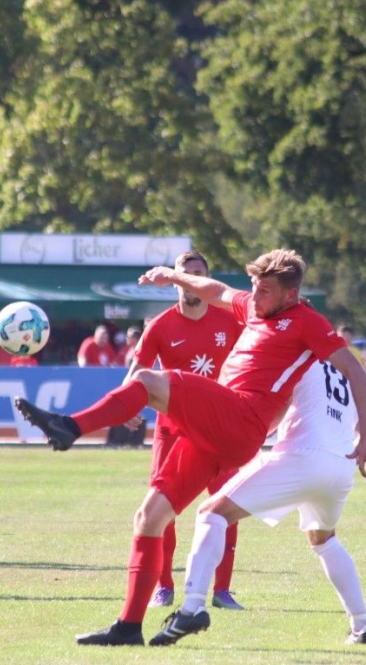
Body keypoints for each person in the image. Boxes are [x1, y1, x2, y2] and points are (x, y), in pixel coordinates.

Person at [14, 248, 366, 647]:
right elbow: (216, 290)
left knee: (151, 382)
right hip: (217, 430)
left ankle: (69, 427)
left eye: (265, 290)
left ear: (290, 294)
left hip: (241, 418)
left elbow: (355, 371)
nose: (255, 296)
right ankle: (128, 627)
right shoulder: (253, 307)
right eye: (254, 286)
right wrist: (173, 277)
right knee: (149, 518)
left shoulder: (306, 321)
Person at [150, 360, 366, 647]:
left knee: (211, 513)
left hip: (303, 456)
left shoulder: (298, 354)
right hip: (342, 464)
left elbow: (276, 409)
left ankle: (192, 607)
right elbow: (365, 424)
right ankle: (363, 625)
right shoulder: (344, 370)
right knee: (324, 540)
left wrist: (242, 438)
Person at [124, 251, 246, 611]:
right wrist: (128, 402)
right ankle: (164, 587)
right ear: (175, 280)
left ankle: (222, 590)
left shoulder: (230, 321)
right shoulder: (160, 326)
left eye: (198, 273)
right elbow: (137, 370)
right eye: (185, 273)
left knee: (226, 506)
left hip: (219, 430)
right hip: (173, 430)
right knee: (162, 510)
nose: (191, 279)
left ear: (206, 279)